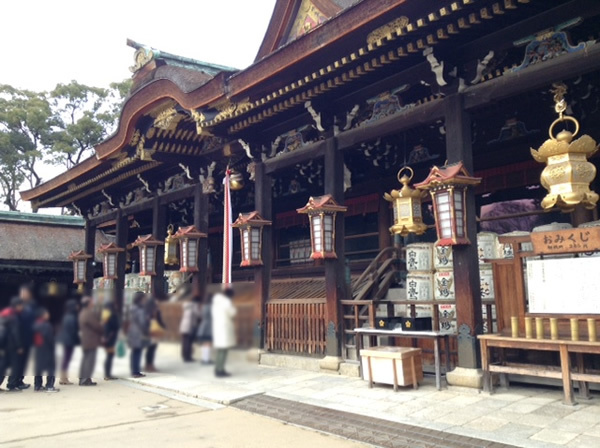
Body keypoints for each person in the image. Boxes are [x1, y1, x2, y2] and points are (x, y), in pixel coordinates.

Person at [211, 287, 236, 377]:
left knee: (219, 350)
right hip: (225, 327)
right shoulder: (226, 302)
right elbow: (232, 313)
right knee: (223, 350)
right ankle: (220, 370)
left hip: (217, 327)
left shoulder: (216, 303)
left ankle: (218, 368)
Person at [33, 308, 59, 392]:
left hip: (38, 348)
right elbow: (49, 338)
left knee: (38, 368)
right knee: (51, 367)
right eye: (46, 314)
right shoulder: (46, 325)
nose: (48, 315)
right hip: (47, 348)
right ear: (43, 315)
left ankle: (38, 385)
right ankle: (49, 386)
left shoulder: (35, 324)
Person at [1, 298, 25, 391]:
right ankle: (12, 385)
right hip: (13, 345)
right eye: (21, 305)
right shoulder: (13, 316)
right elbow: (15, 333)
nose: (22, 307)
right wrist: (19, 346)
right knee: (16, 365)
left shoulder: (5, 313)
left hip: (5, 344)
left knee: (3, 365)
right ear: (17, 306)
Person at [78, 296, 103, 386]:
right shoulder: (88, 313)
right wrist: (102, 327)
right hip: (90, 340)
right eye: (92, 303)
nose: (93, 304)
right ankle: (85, 380)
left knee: (86, 360)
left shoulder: (83, 312)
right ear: (88, 304)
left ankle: (84, 378)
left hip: (86, 339)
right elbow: (96, 326)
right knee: (89, 360)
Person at [17, 285, 37, 389]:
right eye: (22, 293)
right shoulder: (17, 306)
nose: (24, 295)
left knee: (23, 361)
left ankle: (20, 380)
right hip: (19, 339)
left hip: (28, 338)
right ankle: (15, 382)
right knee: (17, 362)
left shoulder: (31, 306)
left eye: (26, 293)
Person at [127, 292, 149, 378]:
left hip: (132, 331)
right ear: (141, 299)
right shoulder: (140, 309)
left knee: (134, 352)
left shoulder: (132, 308)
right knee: (138, 352)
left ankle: (134, 371)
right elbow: (142, 322)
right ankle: (136, 372)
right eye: (144, 298)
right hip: (138, 332)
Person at [58, 299, 80, 385]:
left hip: (66, 339)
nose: (78, 307)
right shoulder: (72, 316)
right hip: (69, 340)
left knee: (66, 359)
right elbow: (73, 331)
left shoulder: (66, 315)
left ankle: (64, 377)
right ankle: (63, 378)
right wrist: (77, 340)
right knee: (67, 359)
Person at [144, 297, 165, 373]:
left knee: (149, 349)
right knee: (152, 349)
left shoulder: (146, 311)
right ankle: (150, 365)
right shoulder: (155, 311)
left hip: (149, 332)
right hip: (154, 332)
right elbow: (160, 321)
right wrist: (164, 327)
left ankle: (148, 365)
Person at [102, 302, 120, 381]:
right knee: (110, 355)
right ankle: (107, 374)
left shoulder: (104, 315)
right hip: (111, 338)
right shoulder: (112, 315)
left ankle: (107, 373)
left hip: (106, 338)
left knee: (108, 355)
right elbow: (115, 326)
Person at [179, 298, 200, 362]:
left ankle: (184, 356)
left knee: (184, 342)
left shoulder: (186, 306)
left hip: (183, 326)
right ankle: (188, 357)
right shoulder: (194, 306)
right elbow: (198, 314)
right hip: (189, 326)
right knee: (188, 342)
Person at [196, 294, 213, 365]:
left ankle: (204, 359)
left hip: (202, 325)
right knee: (208, 343)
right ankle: (206, 360)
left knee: (204, 344)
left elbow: (199, 315)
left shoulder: (202, 307)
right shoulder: (211, 307)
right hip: (208, 326)